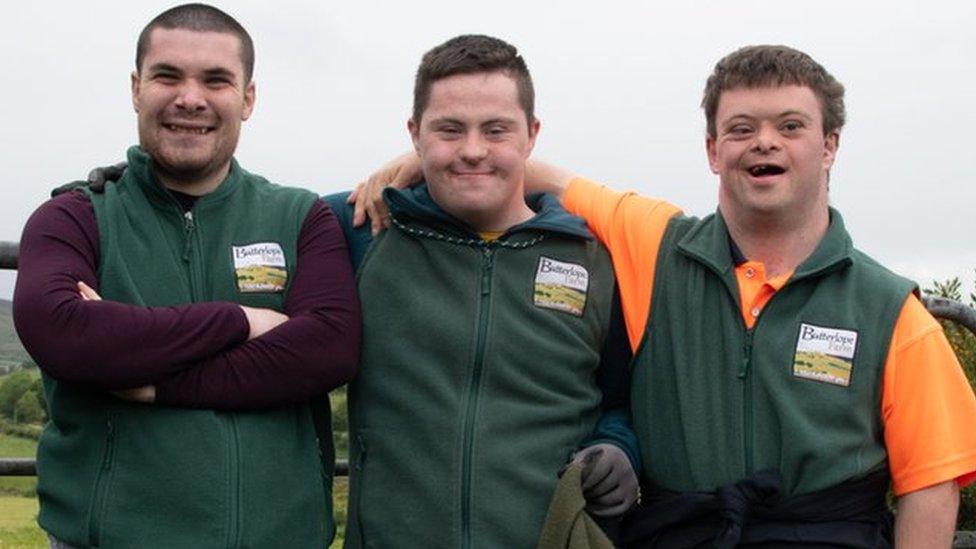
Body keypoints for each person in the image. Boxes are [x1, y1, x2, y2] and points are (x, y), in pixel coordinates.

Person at [354, 45, 976, 547]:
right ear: (712, 150)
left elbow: (931, 484)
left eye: (791, 126)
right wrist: (414, 163)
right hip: (676, 533)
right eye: (740, 128)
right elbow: (532, 170)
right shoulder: (653, 241)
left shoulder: (890, 308)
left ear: (830, 145)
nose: (765, 142)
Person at [13, 4, 360, 547]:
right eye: (167, 76)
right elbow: (67, 339)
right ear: (136, 88)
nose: (190, 98)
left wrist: (157, 381)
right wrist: (241, 320)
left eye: (216, 80)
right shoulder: (74, 217)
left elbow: (328, 350)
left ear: (247, 98)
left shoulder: (300, 217)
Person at [326, 34, 639, 548]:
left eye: (496, 130)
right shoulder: (360, 229)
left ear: (532, 134)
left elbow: (624, 401)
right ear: (415, 134)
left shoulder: (593, 255)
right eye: (450, 129)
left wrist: (620, 448)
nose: (473, 150)